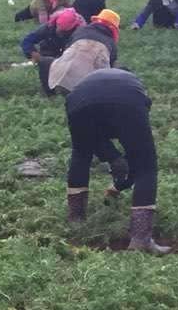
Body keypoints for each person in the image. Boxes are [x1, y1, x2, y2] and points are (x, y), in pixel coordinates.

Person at [65, 69, 167, 253]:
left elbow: (92, 139)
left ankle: (75, 221)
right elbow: (136, 152)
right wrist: (120, 162)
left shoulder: (91, 80)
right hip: (126, 101)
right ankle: (141, 240)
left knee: (81, 153)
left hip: (77, 102)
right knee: (147, 165)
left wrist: (114, 159)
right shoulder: (134, 87)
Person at [49, 10, 119, 95]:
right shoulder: (110, 42)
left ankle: (50, 94)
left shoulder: (80, 31)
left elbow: (66, 50)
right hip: (89, 90)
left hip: (61, 81)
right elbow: (111, 68)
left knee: (46, 61)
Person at [21, 8, 85, 95]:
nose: (58, 30)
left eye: (62, 30)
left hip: (68, 57)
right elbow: (27, 41)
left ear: (72, 28)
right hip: (48, 54)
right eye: (58, 26)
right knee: (45, 64)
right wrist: (32, 52)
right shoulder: (49, 26)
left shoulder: (79, 33)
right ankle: (50, 95)